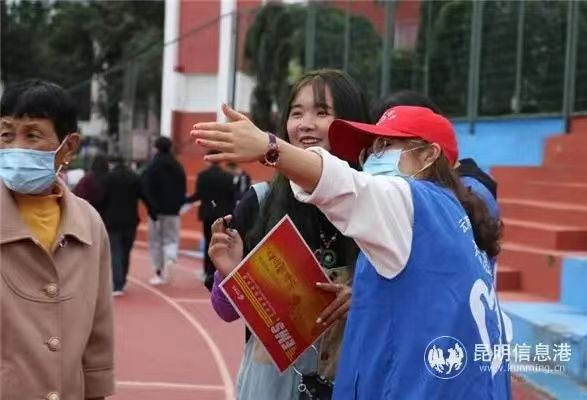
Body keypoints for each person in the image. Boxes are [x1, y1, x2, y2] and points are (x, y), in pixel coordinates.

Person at [191, 104, 511, 399]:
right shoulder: (455, 216)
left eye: (387, 145)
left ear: (429, 156)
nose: (374, 157)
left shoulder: (410, 202)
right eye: (371, 149)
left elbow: (340, 183)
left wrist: (270, 148)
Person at [205, 69, 371, 399]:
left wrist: (365, 301)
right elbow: (225, 312)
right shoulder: (260, 202)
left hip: (350, 381)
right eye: (297, 113)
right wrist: (234, 274)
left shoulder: (374, 206)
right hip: (271, 387)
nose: (305, 124)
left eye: (322, 112)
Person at [0, 79, 114, 399]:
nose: (15, 147)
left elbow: (99, 330)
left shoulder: (89, 223)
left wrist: (96, 390)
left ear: (69, 146)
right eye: (6, 134)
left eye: (32, 135)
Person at [372, 89, 499, 218]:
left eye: (388, 144)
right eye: (376, 147)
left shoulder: (470, 193)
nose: (377, 156)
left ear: (428, 153)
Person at [186, 153, 238, 290]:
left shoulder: (203, 176)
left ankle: (206, 272)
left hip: (208, 214)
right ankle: (219, 271)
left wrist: (184, 201)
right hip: (223, 214)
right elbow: (233, 196)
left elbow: (198, 195)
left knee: (209, 242)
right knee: (222, 243)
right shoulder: (228, 177)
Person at [140, 136, 187, 285]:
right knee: (171, 239)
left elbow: (145, 188)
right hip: (173, 211)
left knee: (156, 242)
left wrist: (151, 207)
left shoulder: (152, 167)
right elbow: (183, 188)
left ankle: (159, 272)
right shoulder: (178, 166)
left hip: (156, 212)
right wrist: (178, 206)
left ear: (156, 148)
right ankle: (171, 257)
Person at [99, 155, 142, 296]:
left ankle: (117, 284)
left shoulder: (108, 179)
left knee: (116, 252)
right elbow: (143, 195)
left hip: (112, 221)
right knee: (126, 251)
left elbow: (102, 199)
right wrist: (153, 211)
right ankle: (122, 279)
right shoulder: (134, 178)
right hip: (131, 221)